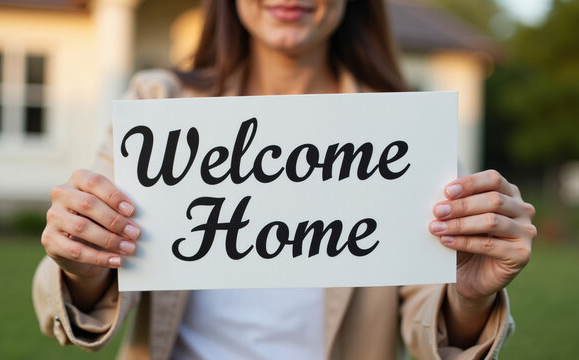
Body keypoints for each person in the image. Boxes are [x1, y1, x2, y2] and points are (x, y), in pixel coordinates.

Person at [33, 0, 537, 359]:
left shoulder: (402, 131)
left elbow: (429, 321)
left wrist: (470, 296)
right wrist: (82, 257)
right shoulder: (159, 104)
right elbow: (89, 284)